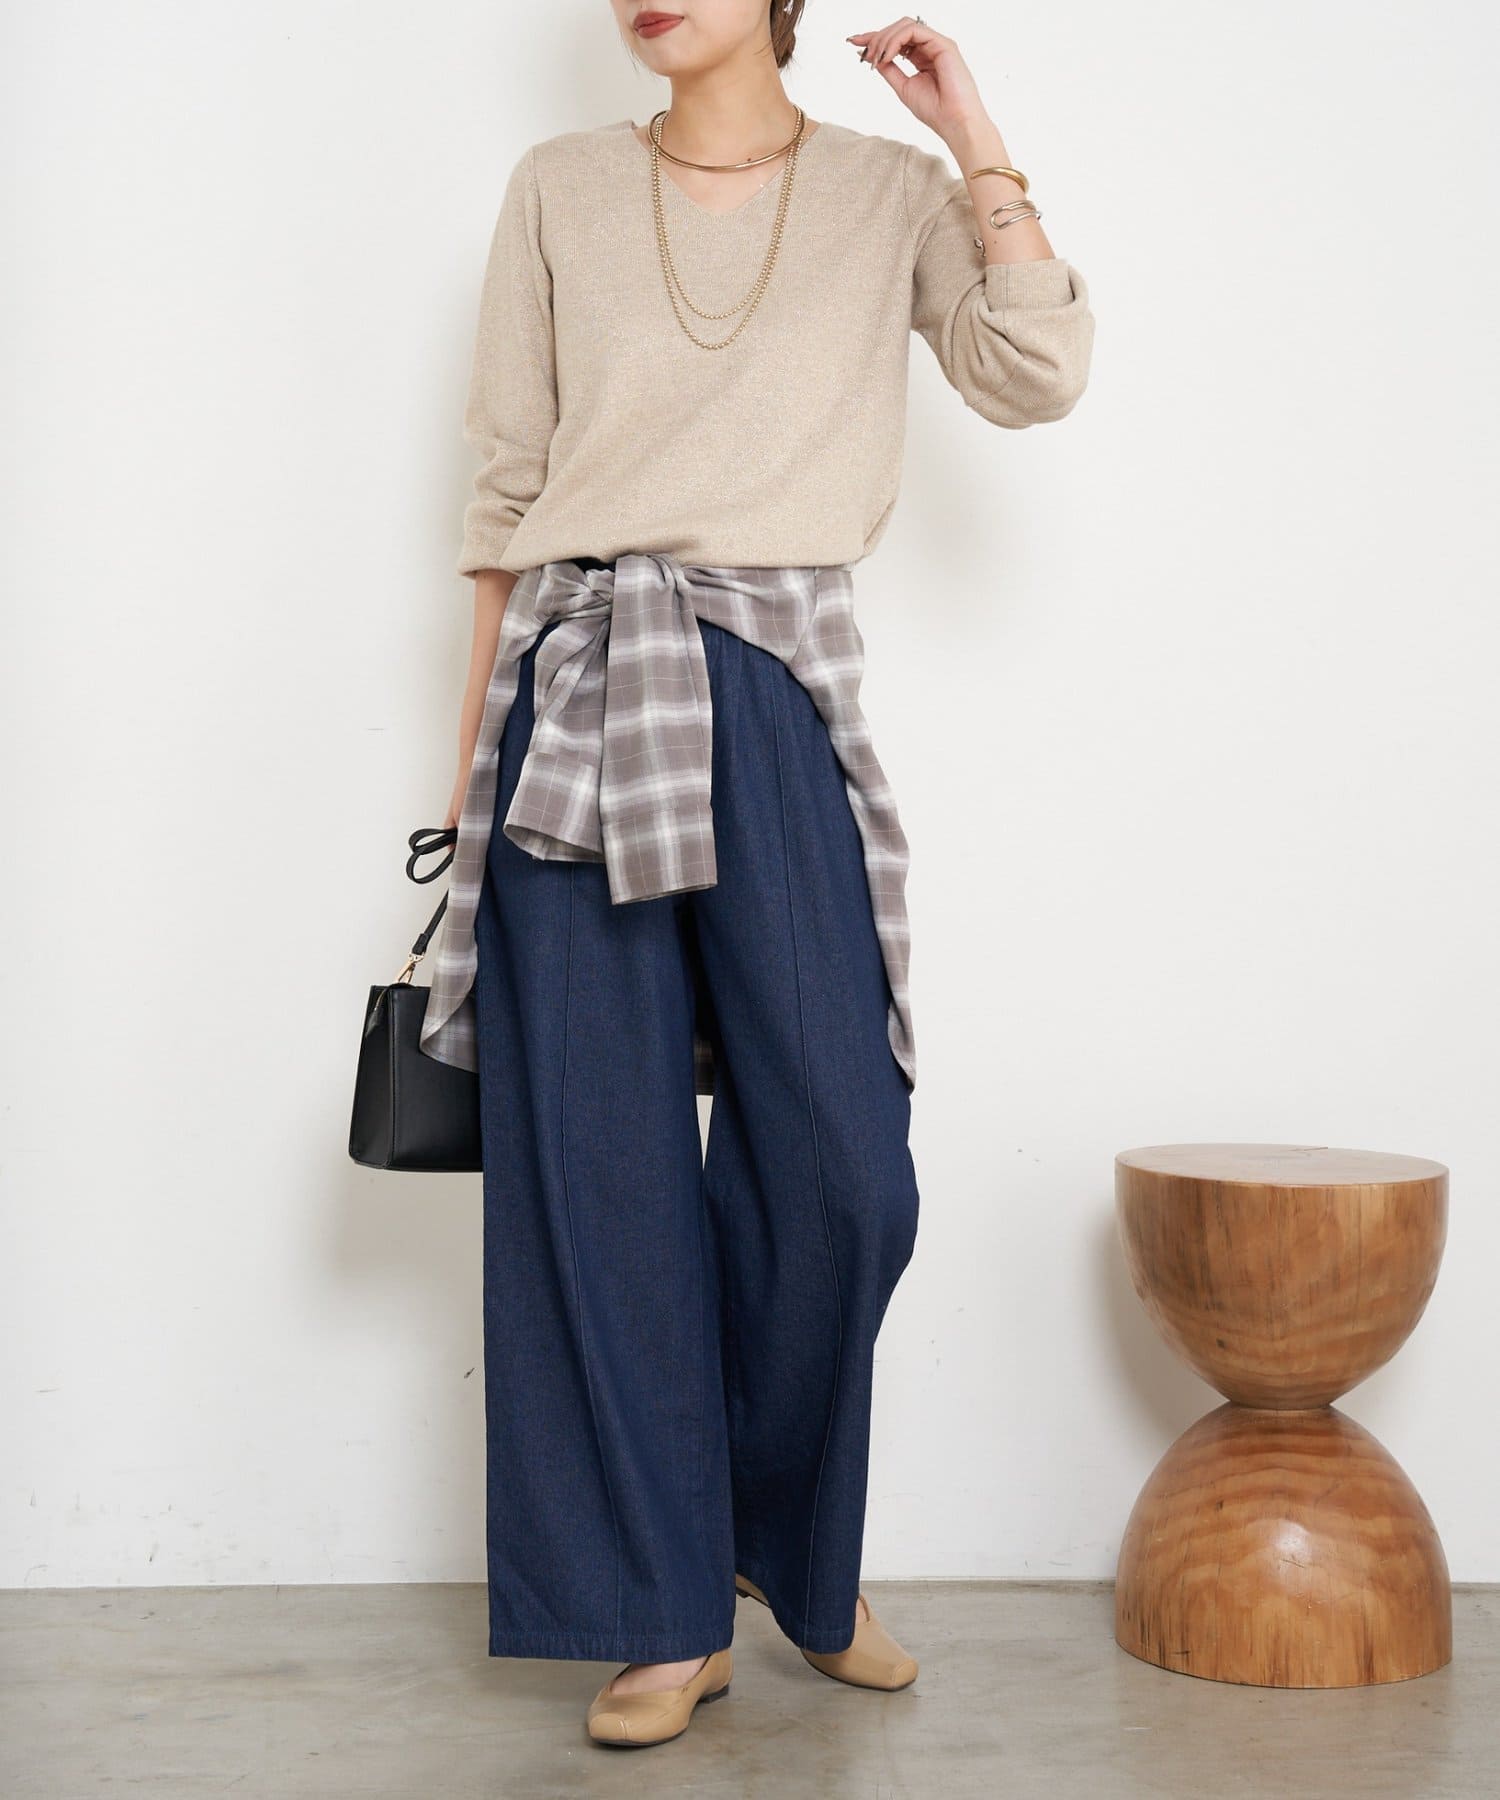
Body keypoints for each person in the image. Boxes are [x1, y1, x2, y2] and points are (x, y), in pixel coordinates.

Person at [418, 1, 1095, 1751]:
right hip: (577, 705)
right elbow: (506, 495)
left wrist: (975, 138)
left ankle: (776, 1542)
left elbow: (1035, 374)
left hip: (774, 692)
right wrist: (464, 784)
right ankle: (662, 1613)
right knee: (599, 1174)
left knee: (843, 1170)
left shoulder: (885, 195)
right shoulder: (560, 186)